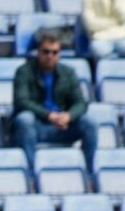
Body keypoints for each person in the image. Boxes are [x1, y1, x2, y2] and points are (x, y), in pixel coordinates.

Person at [11, 30, 96, 169]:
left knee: (89, 123)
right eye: (46, 52)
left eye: (54, 52)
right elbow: (22, 101)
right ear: (38, 52)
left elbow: (81, 103)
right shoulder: (24, 72)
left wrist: (68, 116)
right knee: (24, 119)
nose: (50, 56)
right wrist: (49, 115)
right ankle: (30, 174)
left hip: (62, 127)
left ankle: (89, 173)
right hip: (37, 126)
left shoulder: (68, 73)